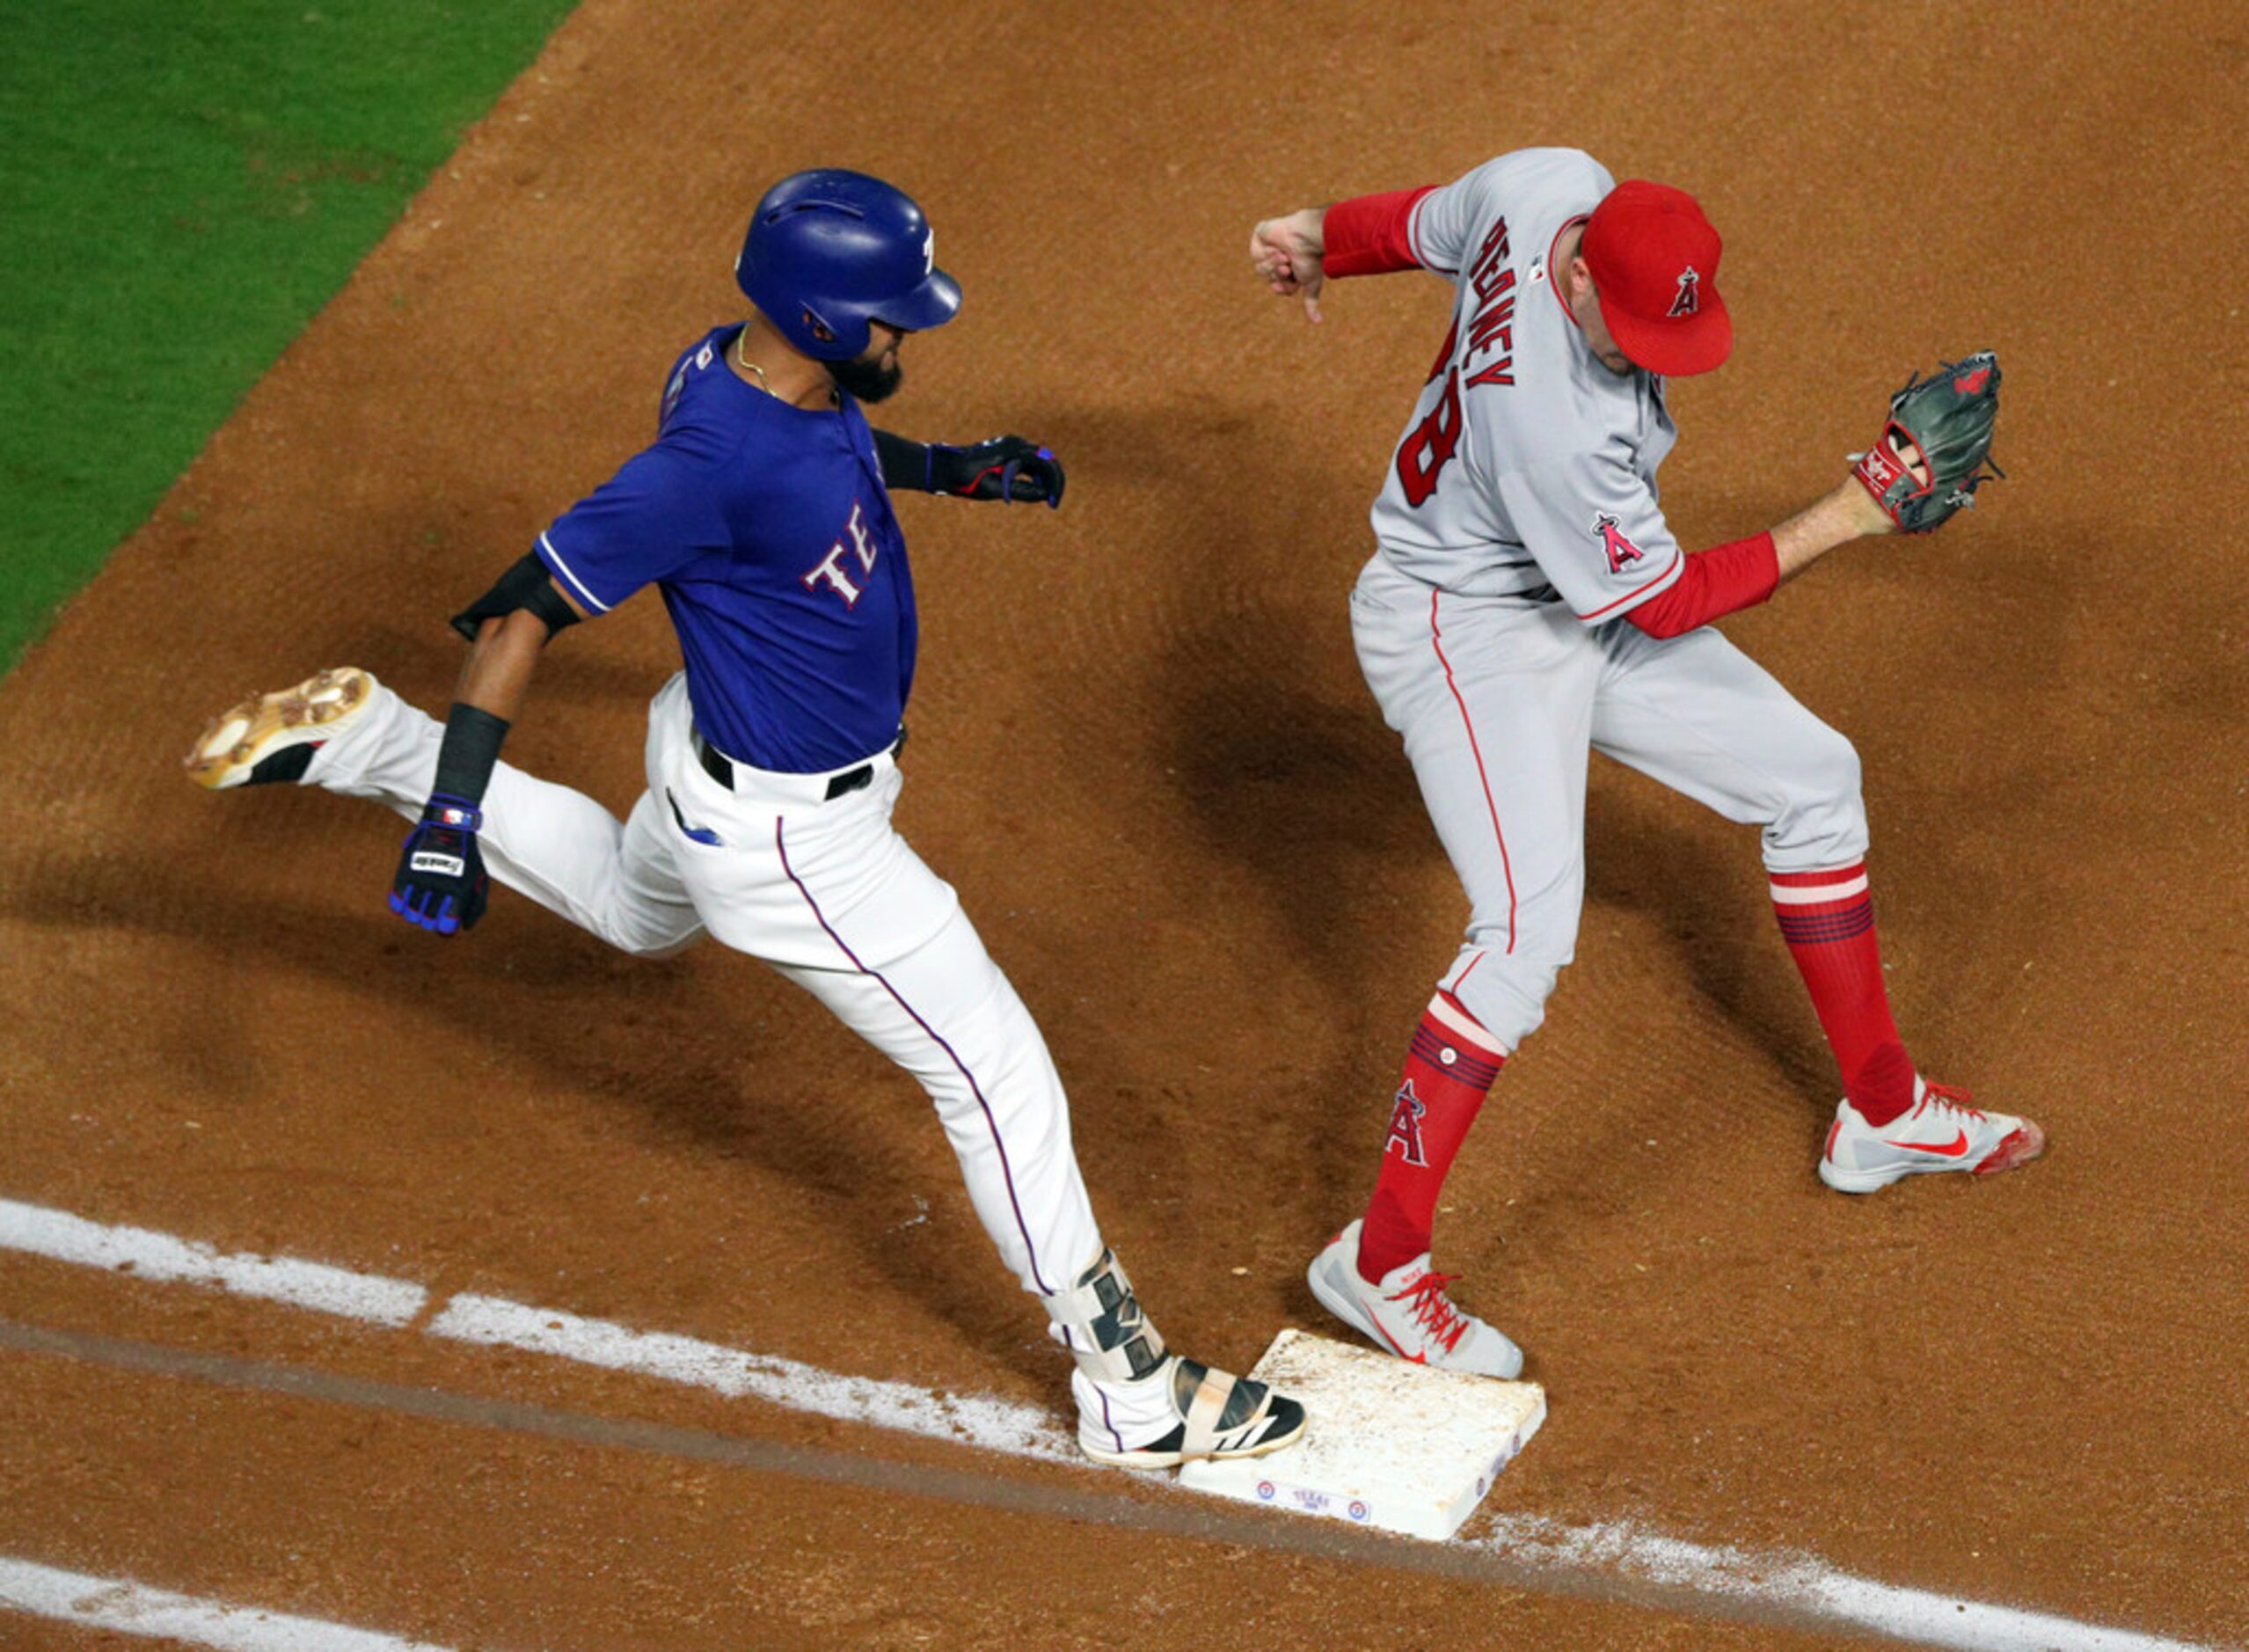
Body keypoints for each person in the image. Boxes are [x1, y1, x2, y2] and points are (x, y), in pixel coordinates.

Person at [186, 168, 1303, 1469]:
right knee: (992, 1068)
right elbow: (519, 616)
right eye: (891, 320)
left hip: (705, 759)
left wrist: (946, 470)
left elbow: (815, 456)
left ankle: (370, 738)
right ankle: (1132, 1388)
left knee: (627, 906)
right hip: (797, 843)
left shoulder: (751, 370)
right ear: (823, 319)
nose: (908, 337)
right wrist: (447, 818)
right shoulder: (702, 459)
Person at [1247, 148, 2041, 1377]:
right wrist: (1851, 510)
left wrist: (1317, 233)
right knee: (1521, 936)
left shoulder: (1539, 186)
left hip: (1573, 598)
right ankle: (1382, 1261)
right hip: (1463, 625)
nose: (1638, 354)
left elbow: (1417, 221)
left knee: (1815, 780)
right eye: (1619, 334)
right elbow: (1662, 602)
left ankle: (1881, 1112)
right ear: (1573, 280)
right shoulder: (1551, 424)